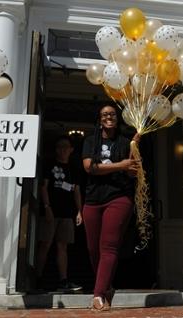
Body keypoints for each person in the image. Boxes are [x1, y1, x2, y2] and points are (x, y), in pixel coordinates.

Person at [81, 105, 140, 311]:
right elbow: (90, 167)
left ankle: (97, 295)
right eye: (104, 114)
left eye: (112, 114)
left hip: (118, 198)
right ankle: (106, 288)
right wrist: (120, 165)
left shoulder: (125, 143)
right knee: (92, 249)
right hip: (92, 199)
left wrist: (132, 164)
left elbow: (132, 171)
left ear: (117, 118)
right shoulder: (90, 141)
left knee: (109, 246)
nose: (109, 117)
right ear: (99, 119)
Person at [34, 135, 83, 293]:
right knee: (45, 245)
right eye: (59, 147)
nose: (62, 150)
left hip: (67, 213)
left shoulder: (74, 168)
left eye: (65, 147)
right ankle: (37, 278)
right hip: (51, 212)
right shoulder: (49, 164)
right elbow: (43, 187)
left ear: (71, 150)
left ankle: (63, 280)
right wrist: (47, 207)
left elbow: (76, 191)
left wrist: (79, 211)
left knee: (63, 246)